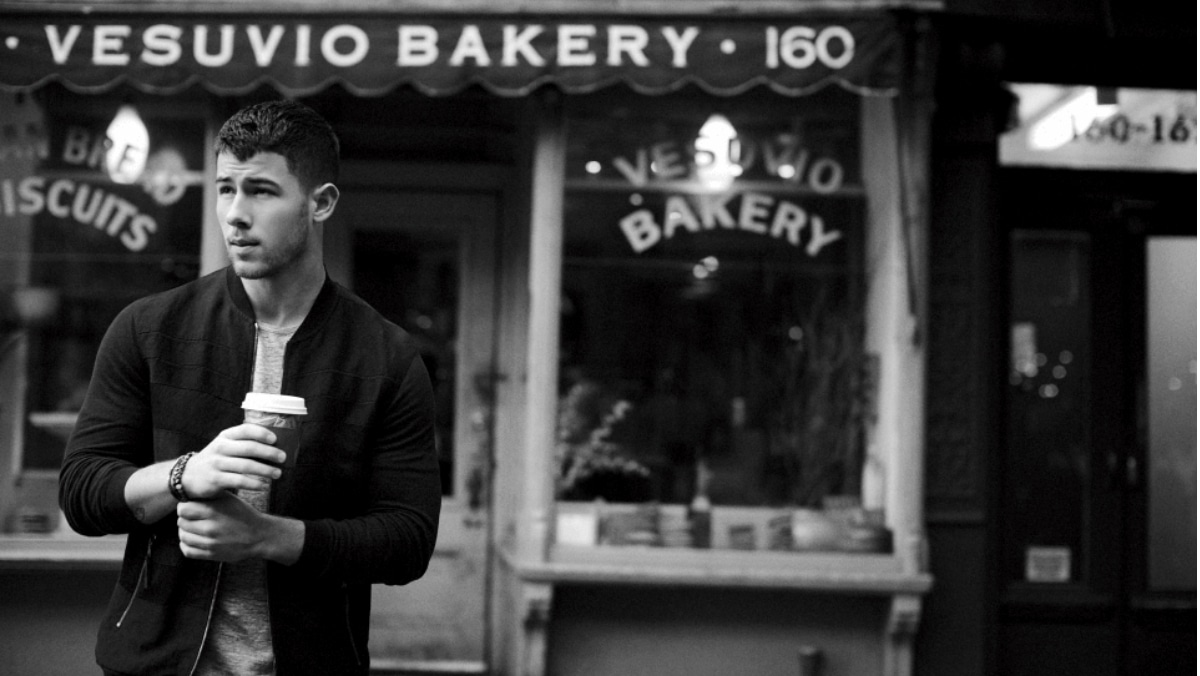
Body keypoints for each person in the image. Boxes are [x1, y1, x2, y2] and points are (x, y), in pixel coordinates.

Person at [58, 100, 442, 676]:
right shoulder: (149, 328)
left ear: (321, 203)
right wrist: (184, 474)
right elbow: (82, 491)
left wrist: (268, 537)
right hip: (157, 663)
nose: (235, 214)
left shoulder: (385, 356)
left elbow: (406, 540)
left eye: (261, 190)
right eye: (224, 189)